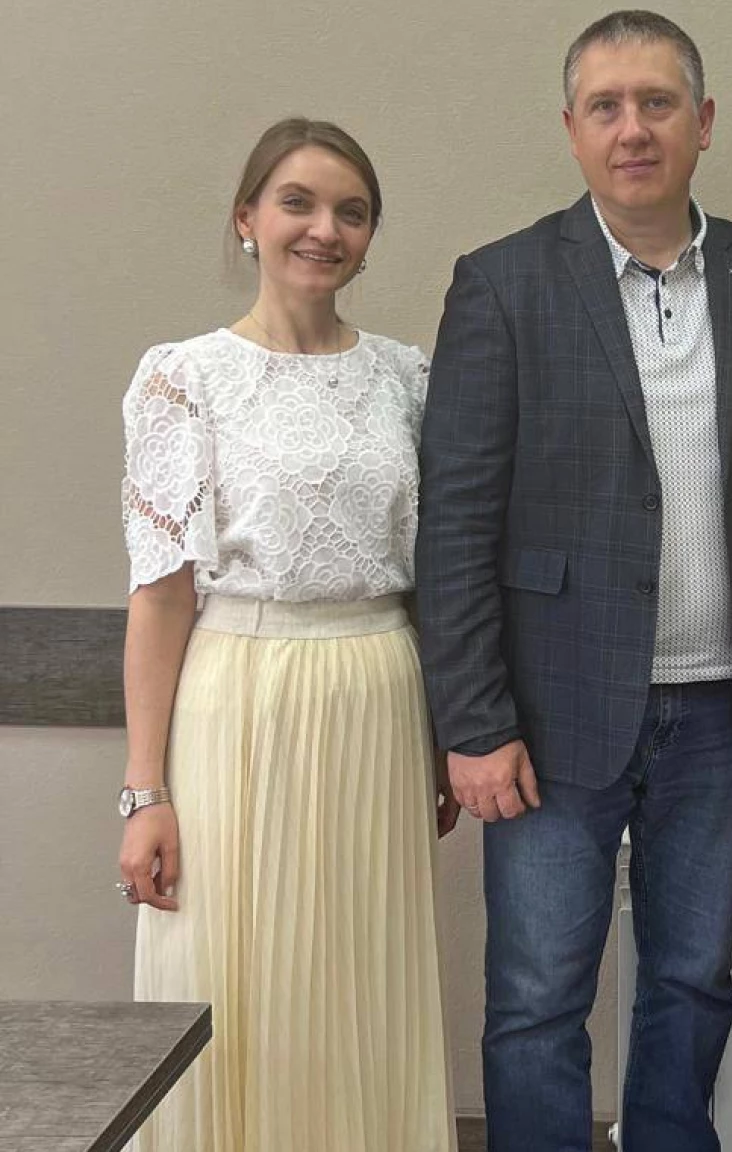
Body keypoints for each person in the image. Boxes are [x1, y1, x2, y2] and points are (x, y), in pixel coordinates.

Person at [414, 10, 732, 1152]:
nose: (634, 129)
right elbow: (456, 524)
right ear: (573, 130)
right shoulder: (503, 284)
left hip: (721, 715)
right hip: (549, 716)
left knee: (692, 982)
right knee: (538, 1001)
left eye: (658, 103)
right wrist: (474, 722)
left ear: (704, 122)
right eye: (607, 107)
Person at [116, 117, 458, 1152]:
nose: (324, 230)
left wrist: (447, 731)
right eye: (297, 203)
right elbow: (161, 596)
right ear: (247, 219)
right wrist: (145, 791)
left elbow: (441, 573)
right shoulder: (184, 378)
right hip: (239, 700)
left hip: (379, 697)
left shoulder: (408, 379)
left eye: (352, 212)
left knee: (359, 982)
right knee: (236, 976)